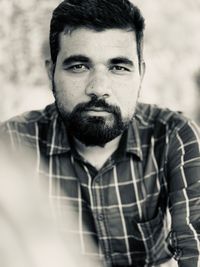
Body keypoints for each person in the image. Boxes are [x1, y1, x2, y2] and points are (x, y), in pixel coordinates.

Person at [1, 0, 200, 266]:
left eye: (118, 67)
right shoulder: (12, 145)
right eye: (78, 66)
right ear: (51, 73)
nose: (98, 88)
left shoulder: (174, 135)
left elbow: (195, 245)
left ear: (140, 73)